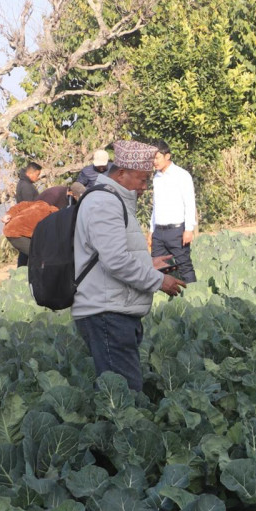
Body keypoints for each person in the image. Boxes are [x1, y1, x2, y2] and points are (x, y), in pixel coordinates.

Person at [72, 140, 187, 393]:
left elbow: (114, 254)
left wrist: (150, 263)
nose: (145, 187)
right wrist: (159, 281)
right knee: (124, 397)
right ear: (121, 173)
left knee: (120, 394)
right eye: (142, 180)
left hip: (114, 308)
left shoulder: (114, 200)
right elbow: (116, 261)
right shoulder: (105, 203)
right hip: (107, 313)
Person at [149, 140, 198, 283]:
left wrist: (189, 229)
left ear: (167, 156)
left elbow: (189, 203)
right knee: (157, 267)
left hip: (177, 231)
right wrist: (151, 230)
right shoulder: (156, 177)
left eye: (157, 157)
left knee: (184, 266)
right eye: (152, 158)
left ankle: (192, 300)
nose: (154, 162)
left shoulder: (182, 175)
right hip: (159, 231)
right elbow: (155, 205)